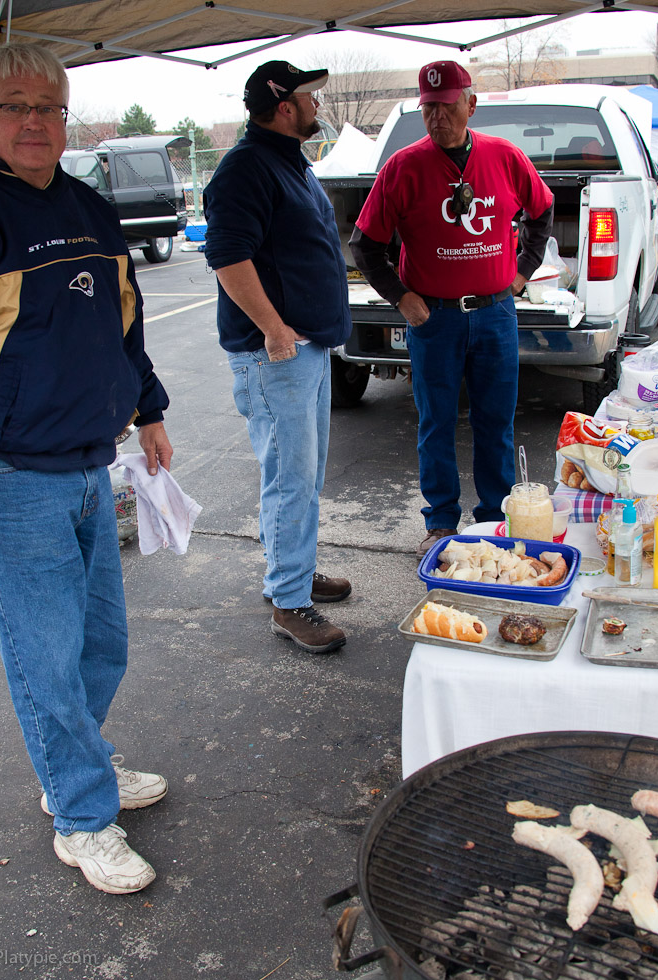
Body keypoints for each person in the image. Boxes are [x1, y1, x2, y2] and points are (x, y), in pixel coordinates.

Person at [0, 43, 173, 895]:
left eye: (48, 106)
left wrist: (148, 406)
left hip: (90, 466)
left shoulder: (87, 205)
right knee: (44, 657)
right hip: (8, 477)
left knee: (100, 648)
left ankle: (76, 767)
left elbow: (124, 321)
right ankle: (81, 816)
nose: (34, 121)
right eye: (13, 105)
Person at [350, 61, 554, 559]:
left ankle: (493, 518)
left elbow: (541, 211)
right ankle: (441, 522)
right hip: (434, 320)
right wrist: (401, 297)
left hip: (494, 315)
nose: (436, 117)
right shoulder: (403, 166)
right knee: (436, 422)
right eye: (427, 108)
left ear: (470, 104)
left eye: (445, 106)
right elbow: (365, 244)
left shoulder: (504, 157)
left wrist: (523, 270)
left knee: (495, 421)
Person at [203, 60, 352, 655]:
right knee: (291, 479)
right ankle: (290, 603)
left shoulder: (287, 160)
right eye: (309, 97)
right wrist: (272, 327)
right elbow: (226, 256)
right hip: (277, 356)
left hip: (304, 350)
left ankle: (291, 569)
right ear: (284, 106)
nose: (318, 104)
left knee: (301, 477)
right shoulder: (246, 168)